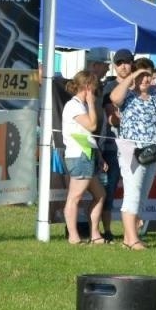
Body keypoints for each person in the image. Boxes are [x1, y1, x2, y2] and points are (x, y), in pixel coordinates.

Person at [109, 58, 156, 251]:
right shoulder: (128, 96)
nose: (145, 79)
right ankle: (133, 240)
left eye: (147, 75)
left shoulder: (155, 100)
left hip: (151, 153)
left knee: (142, 197)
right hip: (131, 151)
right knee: (132, 194)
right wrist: (133, 76)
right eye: (141, 75)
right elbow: (114, 98)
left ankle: (129, 237)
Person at [60, 71, 106, 245]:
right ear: (87, 87)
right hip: (79, 155)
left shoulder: (81, 106)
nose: (96, 91)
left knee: (100, 194)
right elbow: (92, 125)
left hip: (88, 153)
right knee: (75, 197)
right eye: (94, 87)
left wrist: (99, 156)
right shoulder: (74, 106)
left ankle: (95, 234)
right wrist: (92, 104)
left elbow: (87, 135)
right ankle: (73, 236)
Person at [95, 49, 133, 240]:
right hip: (112, 146)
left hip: (134, 146)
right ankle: (107, 231)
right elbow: (112, 118)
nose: (123, 66)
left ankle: (131, 231)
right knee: (109, 189)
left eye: (127, 62)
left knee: (133, 189)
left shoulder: (137, 88)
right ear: (115, 65)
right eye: (119, 63)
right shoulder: (110, 87)